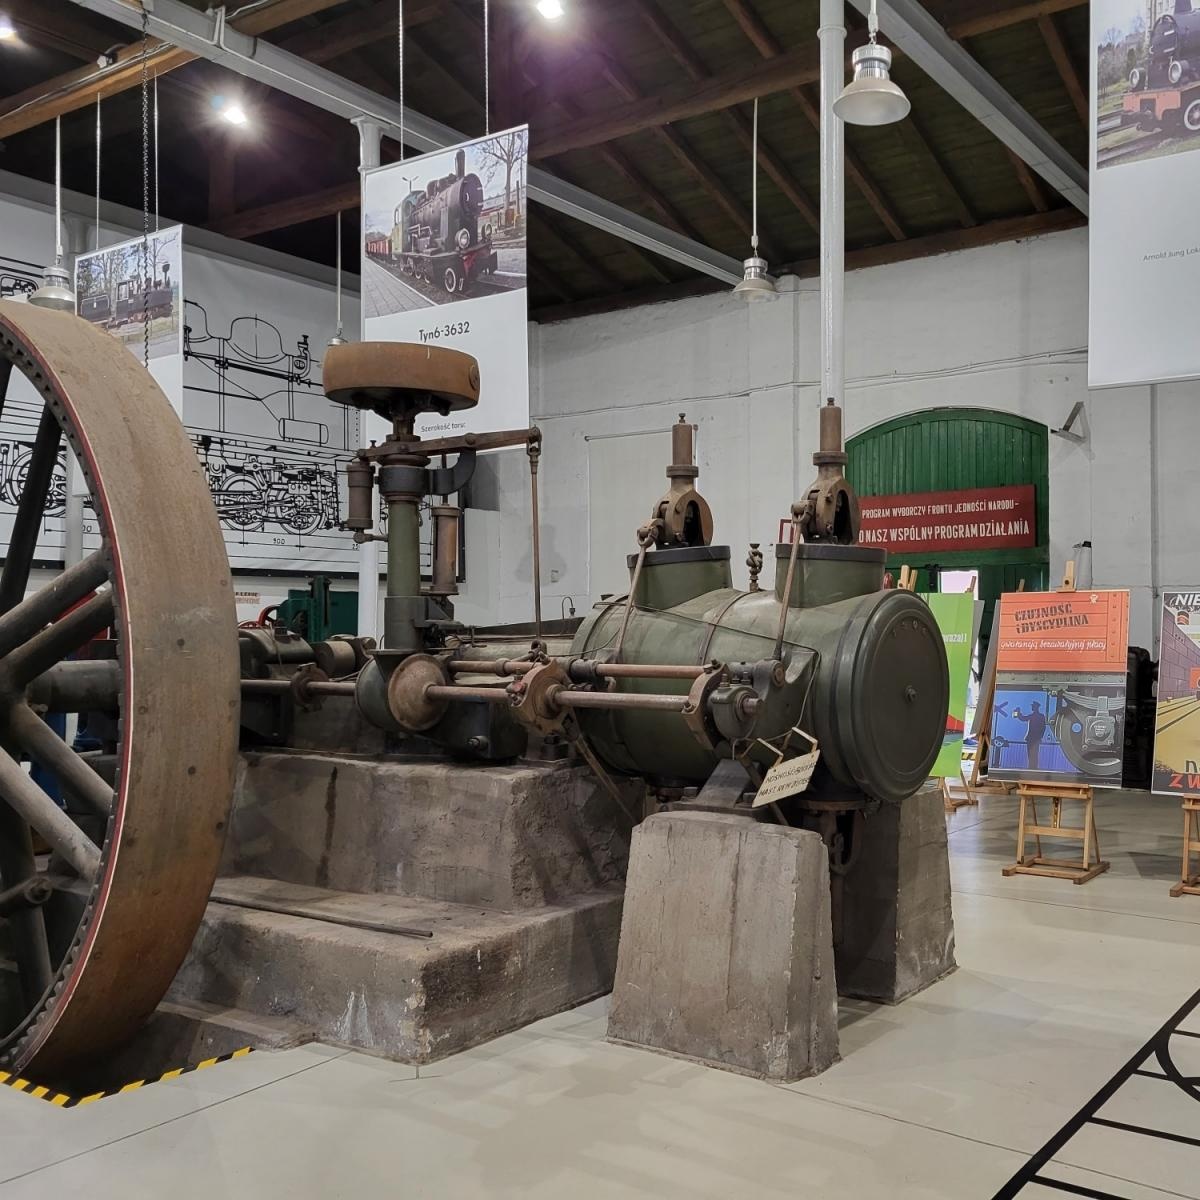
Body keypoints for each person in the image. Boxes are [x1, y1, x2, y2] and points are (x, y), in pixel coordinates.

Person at [1012, 700, 1047, 772]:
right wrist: (1040, 737)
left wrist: (1018, 714)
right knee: (1034, 753)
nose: (1032, 707)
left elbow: (1023, 718)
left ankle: (1032, 767)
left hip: (1032, 738)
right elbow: (1043, 728)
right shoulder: (1040, 716)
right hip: (1035, 738)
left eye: (1033, 706)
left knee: (1032, 753)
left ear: (1035, 707)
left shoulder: (1035, 716)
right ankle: (1033, 767)